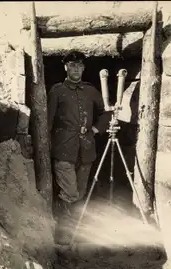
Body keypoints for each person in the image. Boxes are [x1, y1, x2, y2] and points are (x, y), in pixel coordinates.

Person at [47, 50, 108, 245]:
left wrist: (96, 130)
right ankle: (63, 234)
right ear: (65, 67)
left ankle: (75, 232)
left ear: (84, 68)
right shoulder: (57, 90)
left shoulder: (91, 90)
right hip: (64, 148)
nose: (76, 69)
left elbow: (104, 114)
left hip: (87, 149)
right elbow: (47, 121)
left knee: (80, 194)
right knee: (70, 193)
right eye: (72, 65)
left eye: (79, 65)